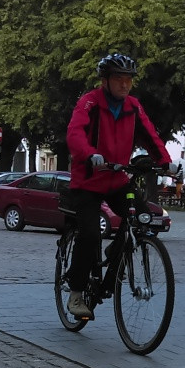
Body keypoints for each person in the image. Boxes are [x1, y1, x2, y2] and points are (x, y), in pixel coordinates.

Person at [65, 53, 173, 320]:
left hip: (117, 180)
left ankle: (120, 250)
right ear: (105, 80)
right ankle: (76, 292)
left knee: (143, 217)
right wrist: (90, 154)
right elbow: (74, 133)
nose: (125, 85)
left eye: (129, 80)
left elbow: (150, 136)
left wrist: (165, 161)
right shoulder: (89, 102)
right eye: (119, 79)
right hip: (88, 181)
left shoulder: (133, 106)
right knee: (90, 235)